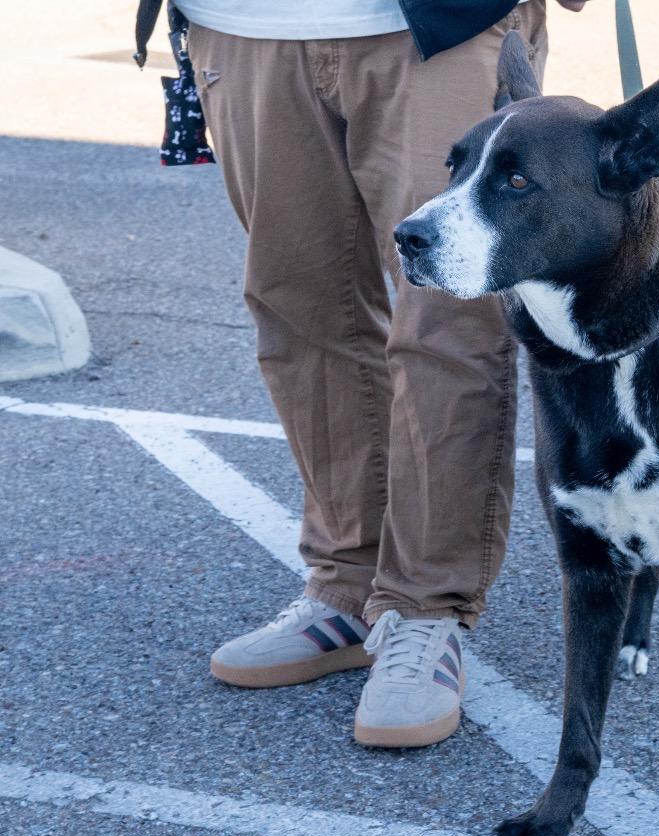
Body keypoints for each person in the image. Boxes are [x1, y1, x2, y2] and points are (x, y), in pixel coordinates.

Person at [143, 0, 590, 748]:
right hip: (244, 25)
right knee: (299, 310)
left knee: (448, 316)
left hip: (434, 24)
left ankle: (424, 611)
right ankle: (346, 587)